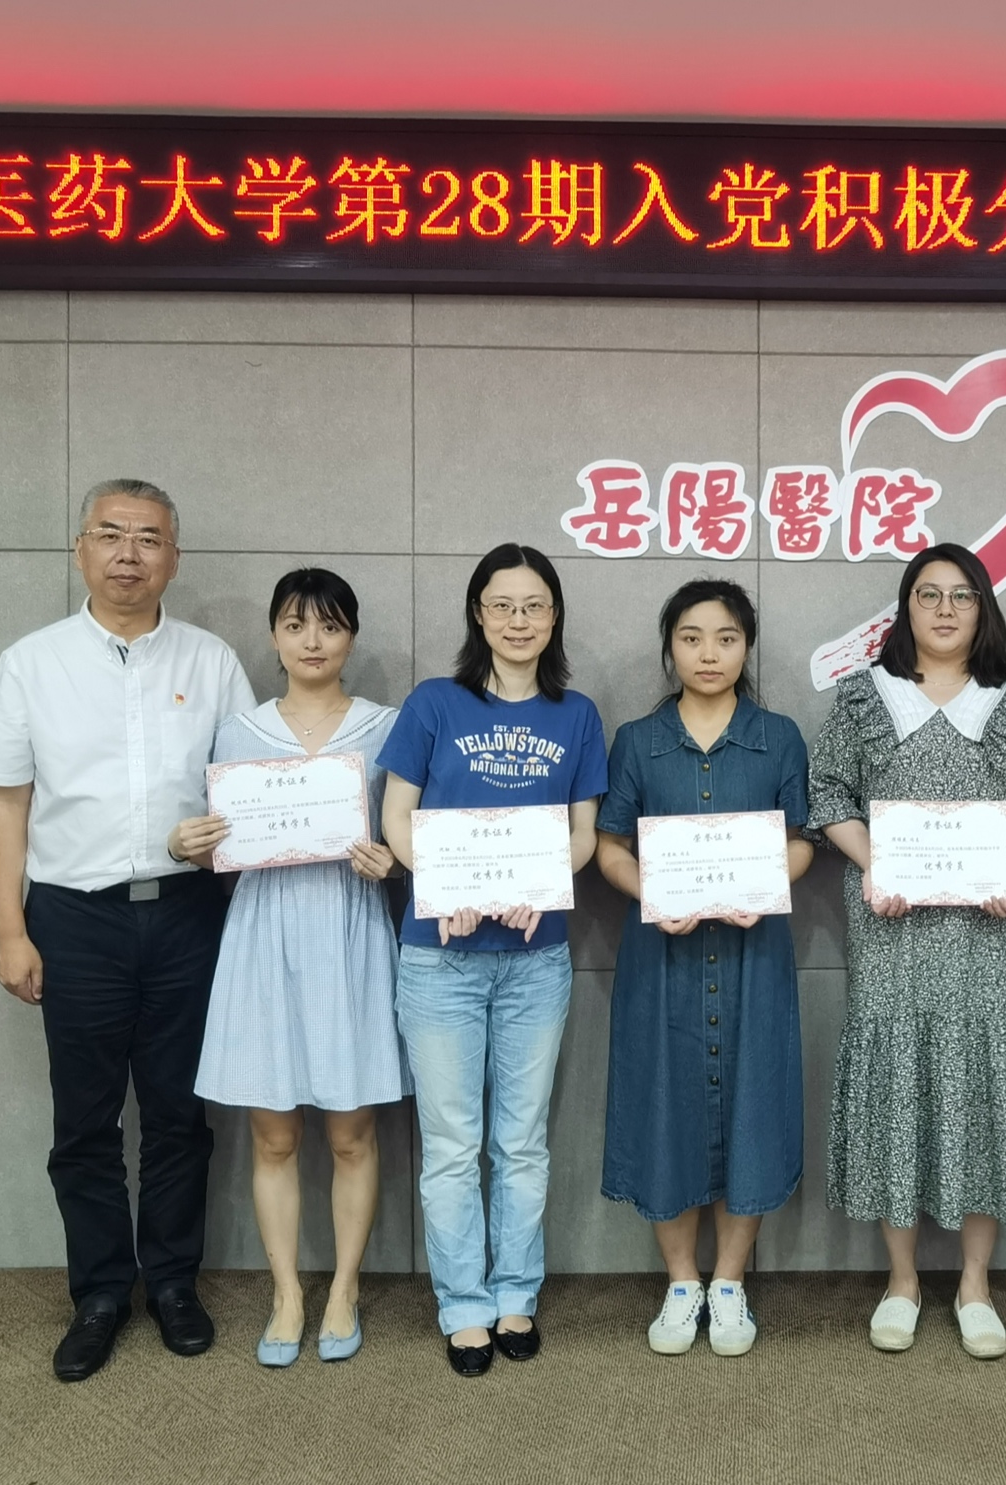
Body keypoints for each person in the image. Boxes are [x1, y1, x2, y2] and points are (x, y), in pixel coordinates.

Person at [0, 478, 254, 1382]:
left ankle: (171, 1282)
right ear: (80, 547)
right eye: (111, 533)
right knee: (84, 1119)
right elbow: (4, 803)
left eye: (149, 538)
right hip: (74, 918)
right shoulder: (31, 662)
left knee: (179, 1115)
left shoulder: (212, 661)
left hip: (188, 914)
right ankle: (96, 1293)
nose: (130, 553)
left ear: (175, 557)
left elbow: (249, 790)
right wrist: (8, 930)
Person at [808, 542, 1006, 1361]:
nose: (947, 609)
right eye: (929, 594)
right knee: (897, 1078)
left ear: (984, 608)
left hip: (987, 928)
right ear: (906, 608)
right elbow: (827, 791)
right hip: (890, 924)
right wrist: (872, 862)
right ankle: (901, 1280)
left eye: (963, 595)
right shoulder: (864, 697)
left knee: (983, 1082)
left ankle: (974, 1283)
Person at [168, 568, 408, 1368]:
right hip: (264, 934)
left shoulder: (388, 729)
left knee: (351, 1130)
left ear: (351, 636)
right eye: (297, 625)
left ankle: (343, 1288)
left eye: (330, 625)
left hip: (349, 929)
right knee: (271, 1134)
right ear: (274, 635)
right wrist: (191, 844)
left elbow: (414, 834)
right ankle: (286, 1294)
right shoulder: (237, 733)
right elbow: (216, 843)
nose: (313, 641)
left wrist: (392, 862)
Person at [379, 543, 608, 1378]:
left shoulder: (576, 715)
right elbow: (395, 818)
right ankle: (463, 1305)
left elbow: (582, 834)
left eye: (534, 605)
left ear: (554, 616)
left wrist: (541, 887)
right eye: (502, 605)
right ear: (478, 613)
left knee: (521, 1141)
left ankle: (516, 1294)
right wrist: (444, 884)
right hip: (439, 958)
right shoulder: (435, 703)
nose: (519, 620)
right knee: (450, 1143)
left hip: (535, 959)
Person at [593, 580, 813, 1358]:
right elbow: (610, 846)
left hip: (755, 954)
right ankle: (682, 1281)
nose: (708, 653)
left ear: (746, 646)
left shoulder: (778, 736)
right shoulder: (637, 740)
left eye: (725, 637)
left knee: (752, 1105)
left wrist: (767, 884)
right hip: (663, 958)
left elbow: (802, 840)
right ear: (670, 648)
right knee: (665, 1110)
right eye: (691, 637)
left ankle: (729, 1281)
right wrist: (649, 890)